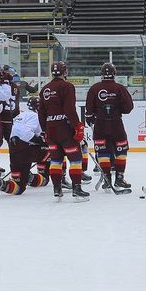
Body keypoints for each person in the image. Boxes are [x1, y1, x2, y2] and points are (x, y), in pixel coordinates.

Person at [38, 61, 88, 200]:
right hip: (65, 129)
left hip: (51, 129)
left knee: (56, 160)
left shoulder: (45, 89)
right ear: (65, 72)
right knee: (75, 159)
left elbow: (41, 113)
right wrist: (77, 126)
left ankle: (57, 188)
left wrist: (45, 131)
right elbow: (69, 109)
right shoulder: (67, 86)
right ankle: (76, 189)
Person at [85, 62, 134, 192]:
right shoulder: (120, 88)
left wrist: (92, 118)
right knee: (121, 150)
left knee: (102, 152)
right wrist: (118, 110)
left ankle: (106, 178)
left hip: (100, 124)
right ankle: (119, 178)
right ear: (114, 74)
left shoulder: (94, 88)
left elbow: (88, 111)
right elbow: (129, 107)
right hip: (116, 124)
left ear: (102, 74)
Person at [0, 97, 50, 198]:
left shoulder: (21, 115)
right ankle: (61, 178)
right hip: (25, 149)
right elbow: (26, 133)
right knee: (52, 151)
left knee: (19, 187)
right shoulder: (36, 116)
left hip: (14, 151)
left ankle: (2, 185)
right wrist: (41, 142)